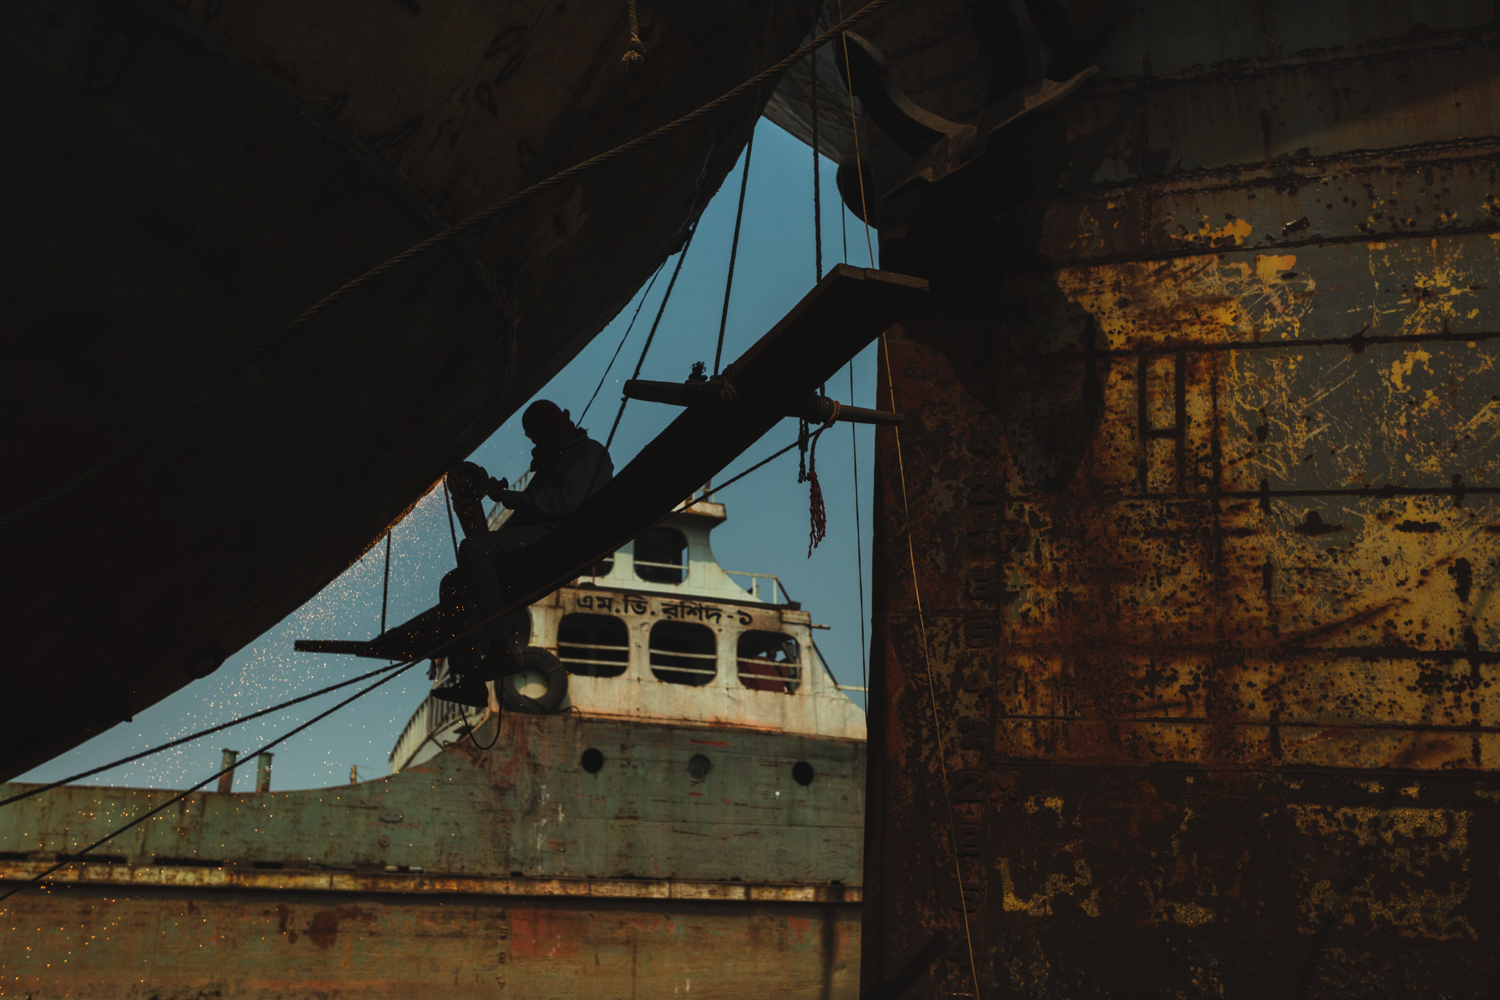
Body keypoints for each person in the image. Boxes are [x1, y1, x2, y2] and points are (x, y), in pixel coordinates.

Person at [440, 400, 612, 713]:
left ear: (560, 423)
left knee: (475, 549)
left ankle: (496, 644)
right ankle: (469, 678)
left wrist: (505, 497)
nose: (540, 440)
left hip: (560, 537)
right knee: (453, 583)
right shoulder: (553, 460)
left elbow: (566, 503)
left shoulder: (589, 453)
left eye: (541, 432)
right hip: (540, 533)